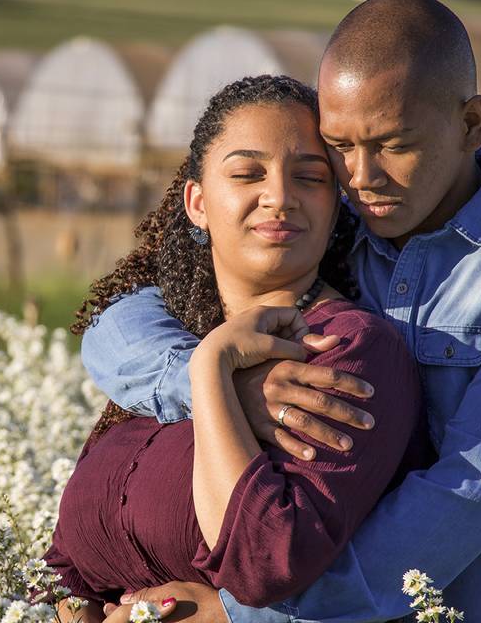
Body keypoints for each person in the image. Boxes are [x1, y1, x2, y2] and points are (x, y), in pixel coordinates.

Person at [81, 0, 481, 623]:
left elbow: (467, 490)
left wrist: (240, 615)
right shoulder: (346, 219)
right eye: (338, 146)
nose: (362, 176)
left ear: (471, 123)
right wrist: (228, 385)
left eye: (394, 144)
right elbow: (122, 315)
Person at [45, 75, 432, 623]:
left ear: (335, 205)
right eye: (248, 173)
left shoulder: (349, 351)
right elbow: (71, 553)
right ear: (197, 203)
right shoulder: (167, 343)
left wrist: (212, 372)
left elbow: (264, 565)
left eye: (309, 177)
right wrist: (74, 606)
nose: (279, 197)